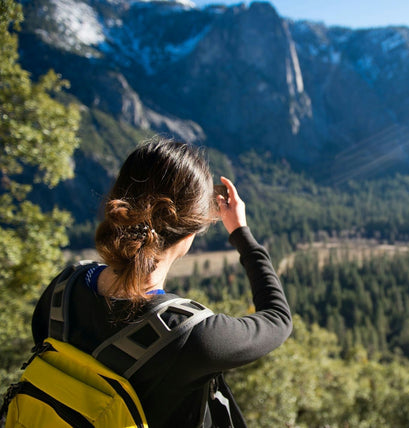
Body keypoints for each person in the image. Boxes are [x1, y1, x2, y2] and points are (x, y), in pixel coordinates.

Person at [30, 138, 293, 427]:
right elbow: (278, 319)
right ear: (192, 230)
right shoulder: (194, 338)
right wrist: (242, 234)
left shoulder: (62, 291)